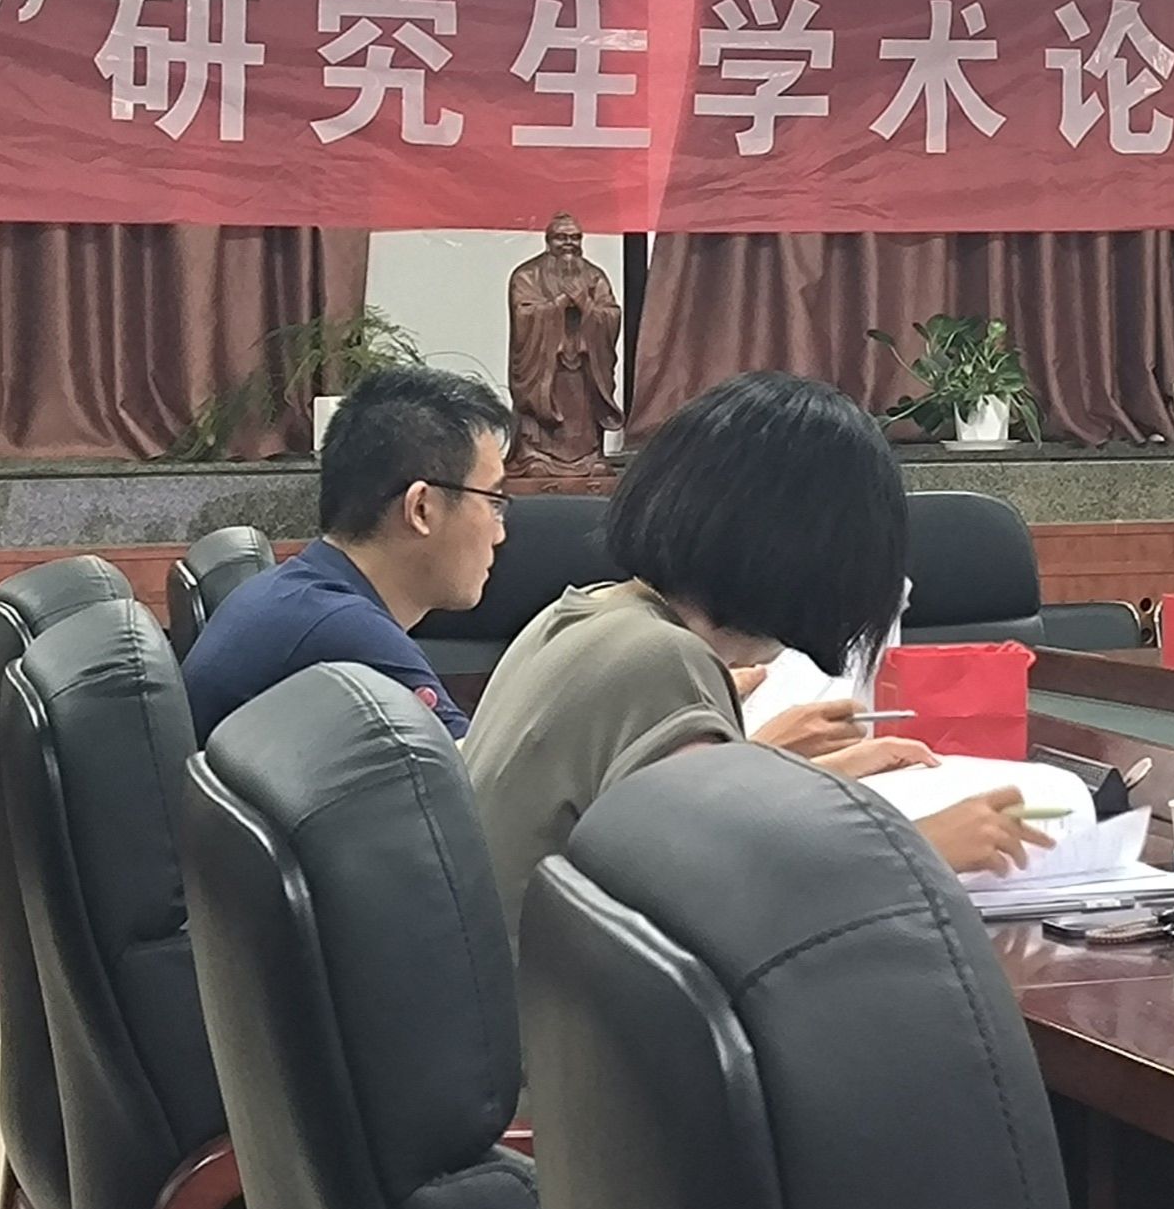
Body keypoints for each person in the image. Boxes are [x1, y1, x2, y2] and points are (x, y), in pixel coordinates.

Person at [461, 369, 1040, 943]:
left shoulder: (582, 614)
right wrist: (921, 850)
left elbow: (652, 823)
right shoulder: (661, 659)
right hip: (559, 1000)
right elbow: (726, 913)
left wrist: (766, 767)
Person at [182, 366, 508, 741]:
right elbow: (479, 773)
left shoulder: (304, 595)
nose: (500, 534)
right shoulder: (347, 634)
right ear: (421, 509)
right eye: (494, 502)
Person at [506, 211, 622, 474]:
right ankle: (535, 456)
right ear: (548, 241)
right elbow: (523, 314)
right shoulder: (526, 275)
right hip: (546, 367)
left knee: (584, 411)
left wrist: (584, 304)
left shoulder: (594, 276)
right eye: (561, 237)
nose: (569, 243)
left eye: (575, 237)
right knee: (540, 416)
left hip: (584, 366)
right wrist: (559, 304)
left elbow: (611, 314)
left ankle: (589, 457)